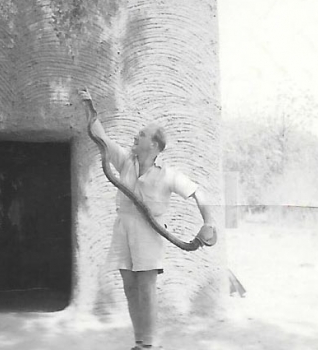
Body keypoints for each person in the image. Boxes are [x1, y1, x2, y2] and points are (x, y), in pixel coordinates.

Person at [78, 89, 216, 350]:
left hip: (149, 232)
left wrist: (208, 222)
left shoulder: (167, 175)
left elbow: (198, 193)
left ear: (153, 145)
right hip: (123, 228)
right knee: (129, 286)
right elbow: (101, 137)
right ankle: (139, 343)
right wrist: (89, 107)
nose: (136, 135)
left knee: (146, 287)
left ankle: (150, 345)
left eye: (142, 134)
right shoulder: (125, 161)